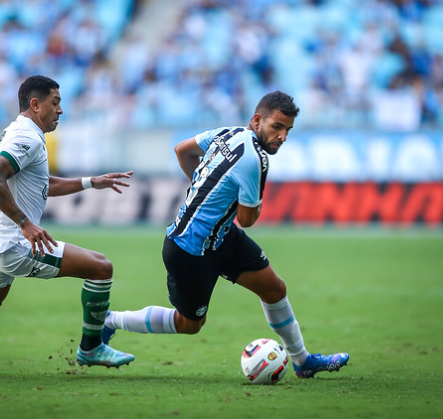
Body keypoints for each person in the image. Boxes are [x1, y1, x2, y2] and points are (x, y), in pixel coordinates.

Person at [102, 91, 349, 378]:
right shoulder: (255, 160)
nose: (282, 136)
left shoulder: (228, 133)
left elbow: (182, 150)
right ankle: (111, 320)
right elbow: (247, 219)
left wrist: (205, 187)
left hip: (221, 236)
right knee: (190, 324)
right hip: (190, 248)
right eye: (277, 127)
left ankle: (302, 361)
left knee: (274, 289)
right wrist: (239, 198)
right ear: (257, 120)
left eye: (288, 130)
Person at [0, 75, 135, 374]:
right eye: (55, 103)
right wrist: (25, 224)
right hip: (13, 243)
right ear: (35, 104)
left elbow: (42, 183)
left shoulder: (20, 132)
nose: (60, 110)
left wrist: (90, 182)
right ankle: (91, 348)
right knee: (101, 267)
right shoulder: (26, 137)